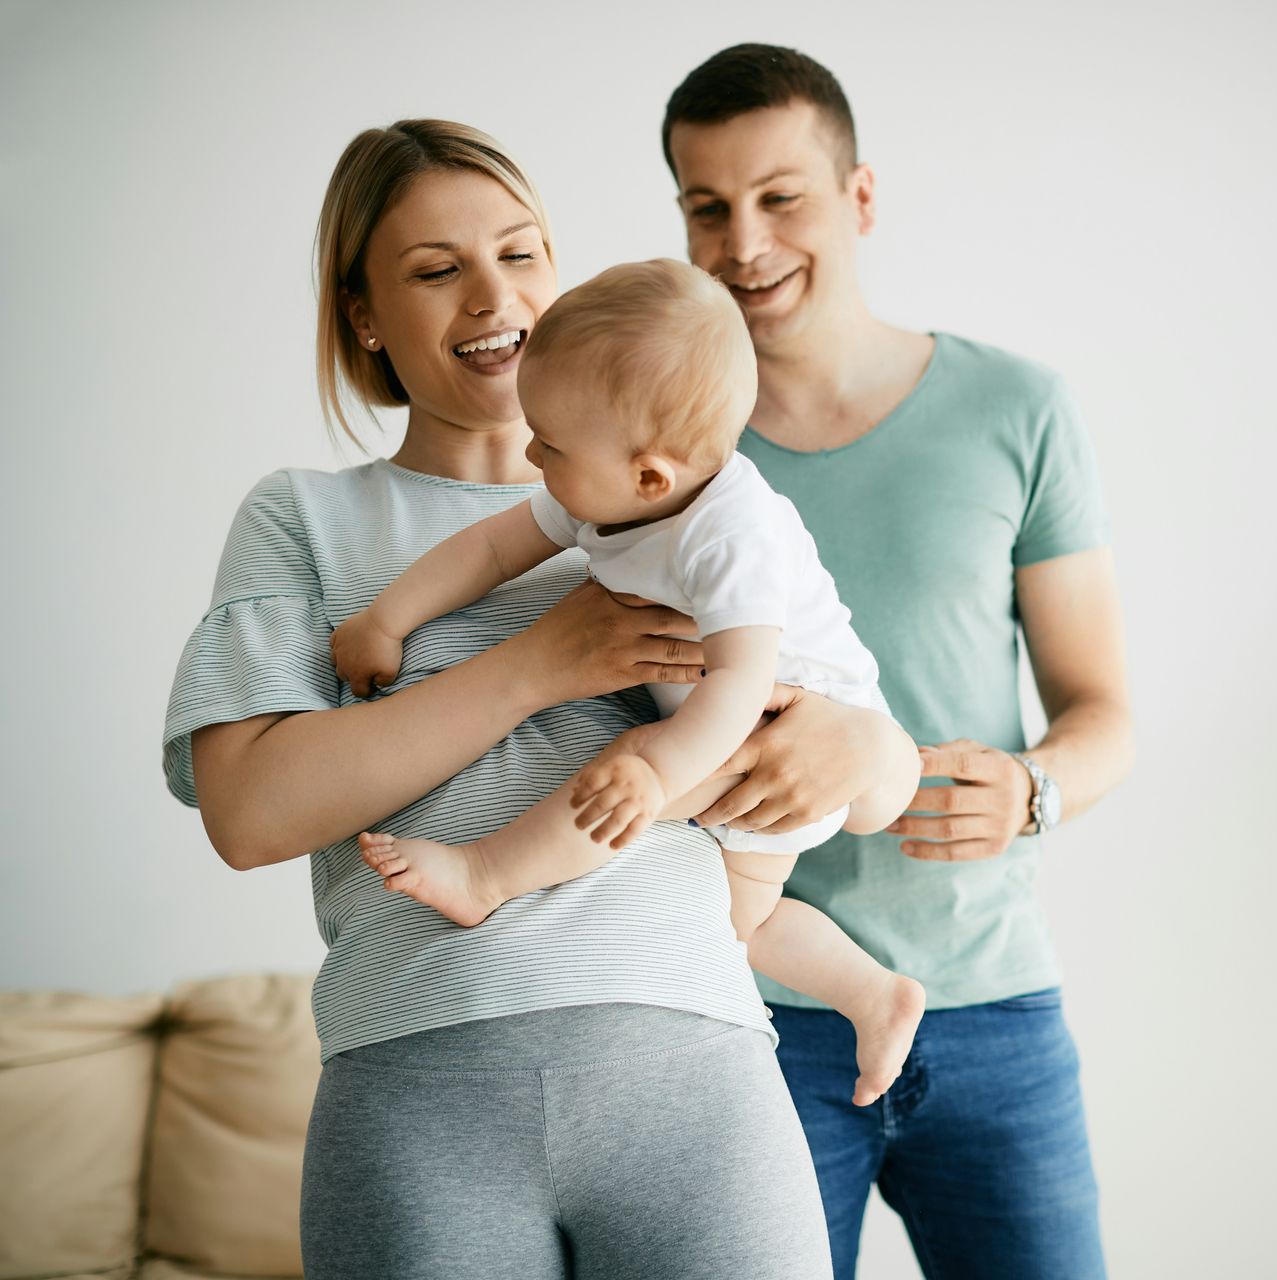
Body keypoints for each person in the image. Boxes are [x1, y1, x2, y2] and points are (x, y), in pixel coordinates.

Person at [162, 118, 916, 1278]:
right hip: (418, 1087)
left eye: (521, 252)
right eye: (434, 269)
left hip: (695, 1070)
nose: (492, 295)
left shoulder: (679, 493)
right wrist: (534, 663)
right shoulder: (302, 517)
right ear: (362, 311)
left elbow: (874, 778)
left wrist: (865, 742)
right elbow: (248, 813)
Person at [661, 44, 1135, 1280]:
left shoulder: (1017, 408)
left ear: (860, 198)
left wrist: (1035, 787)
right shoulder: (660, 460)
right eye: (706, 207)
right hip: (748, 1018)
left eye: (781, 196)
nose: (744, 240)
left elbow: (1104, 710)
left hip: (994, 1009)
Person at [332, 258, 925, 1106]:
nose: (530, 451)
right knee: (738, 919)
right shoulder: (607, 484)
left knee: (635, 803)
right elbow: (493, 550)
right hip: (741, 725)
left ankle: (486, 876)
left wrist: (655, 771)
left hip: (783, 736)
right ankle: (874, 992)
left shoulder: (734, 535)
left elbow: (738, 684)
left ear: (651, 476)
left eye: (551, 444)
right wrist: (386, 619)